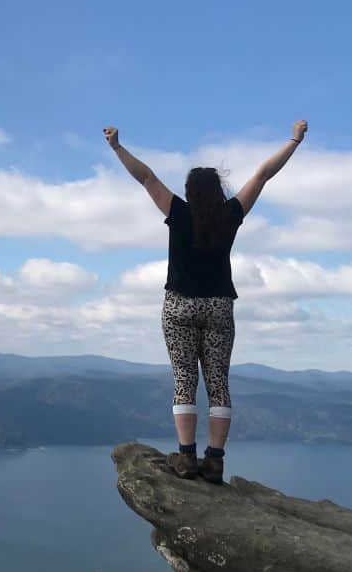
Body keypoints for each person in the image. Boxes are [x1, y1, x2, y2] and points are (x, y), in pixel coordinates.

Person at [103, 120, 308, 483]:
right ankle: (214, 461)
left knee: (184, 379)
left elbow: (147, 178)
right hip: (218, 306)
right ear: (217, 190)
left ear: (189, 191)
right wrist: (294, 141)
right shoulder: (230, 215)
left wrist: (118, 148)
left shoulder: (178, 213)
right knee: (218, 382)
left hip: (179, 305)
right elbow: (262, 175)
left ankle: (186, 458)